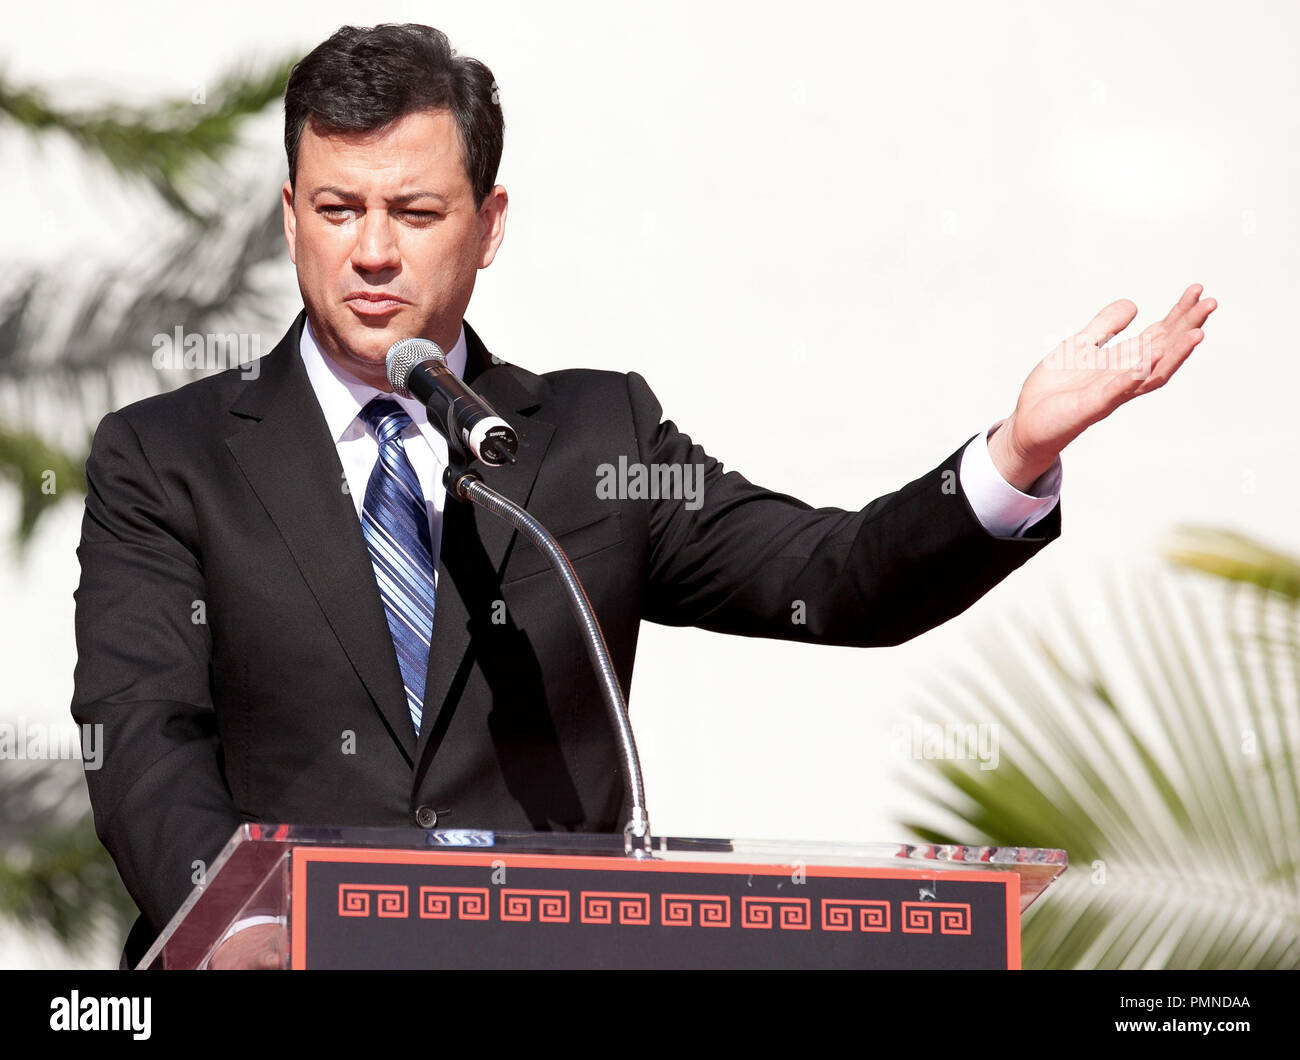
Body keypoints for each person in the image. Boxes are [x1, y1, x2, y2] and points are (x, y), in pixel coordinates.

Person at [70, 24, 1216, 970]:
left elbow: (831, 577)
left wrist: (1012, 451)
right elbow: (141, 731)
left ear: (490, 224)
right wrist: (233, 916)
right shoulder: (167, 457)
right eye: (336, 209)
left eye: (414, 214)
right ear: (288, 216)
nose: (372, 251)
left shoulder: (589, 439)